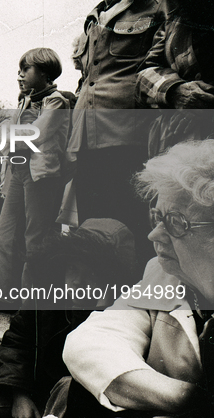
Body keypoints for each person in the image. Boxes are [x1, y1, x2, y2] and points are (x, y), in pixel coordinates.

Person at [61, 139, 214, 417]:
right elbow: (90, 342)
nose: (154, 235)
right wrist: (189, 399)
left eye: (175, 223)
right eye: (156, 217)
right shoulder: (163, 274)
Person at [0, 218, 138, 418]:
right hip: (37, 395)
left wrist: (94, 312)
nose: (77, 282)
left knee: (67, 386)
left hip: (81, 406)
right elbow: (18, 342)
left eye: (92, 274)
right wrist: (20, 394)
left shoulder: (124, 318)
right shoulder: (47, 299)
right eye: (73, 269)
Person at [67, 0, 173, 270]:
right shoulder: (94, 16)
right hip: (85, 137)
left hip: (128, 135)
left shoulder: (156, 7)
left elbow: (164, 63)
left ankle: (134, 298)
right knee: (93, 226)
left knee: (134, 224)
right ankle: (97, 303)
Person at [0, 48, 70, 302]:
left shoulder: (57, 101)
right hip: (18, 173)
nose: (19, 75)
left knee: (34, 240)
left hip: (41, 177)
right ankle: (2, 297)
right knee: (3, 235)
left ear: (45, 73)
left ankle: (29, 306)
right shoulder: (26, 100)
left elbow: (36, 134)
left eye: (26, 70)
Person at [136, 2, 214, 158]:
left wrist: (206, 103)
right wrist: (174, 91)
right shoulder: (173, 20)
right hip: (182, 147)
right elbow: (144, 75)